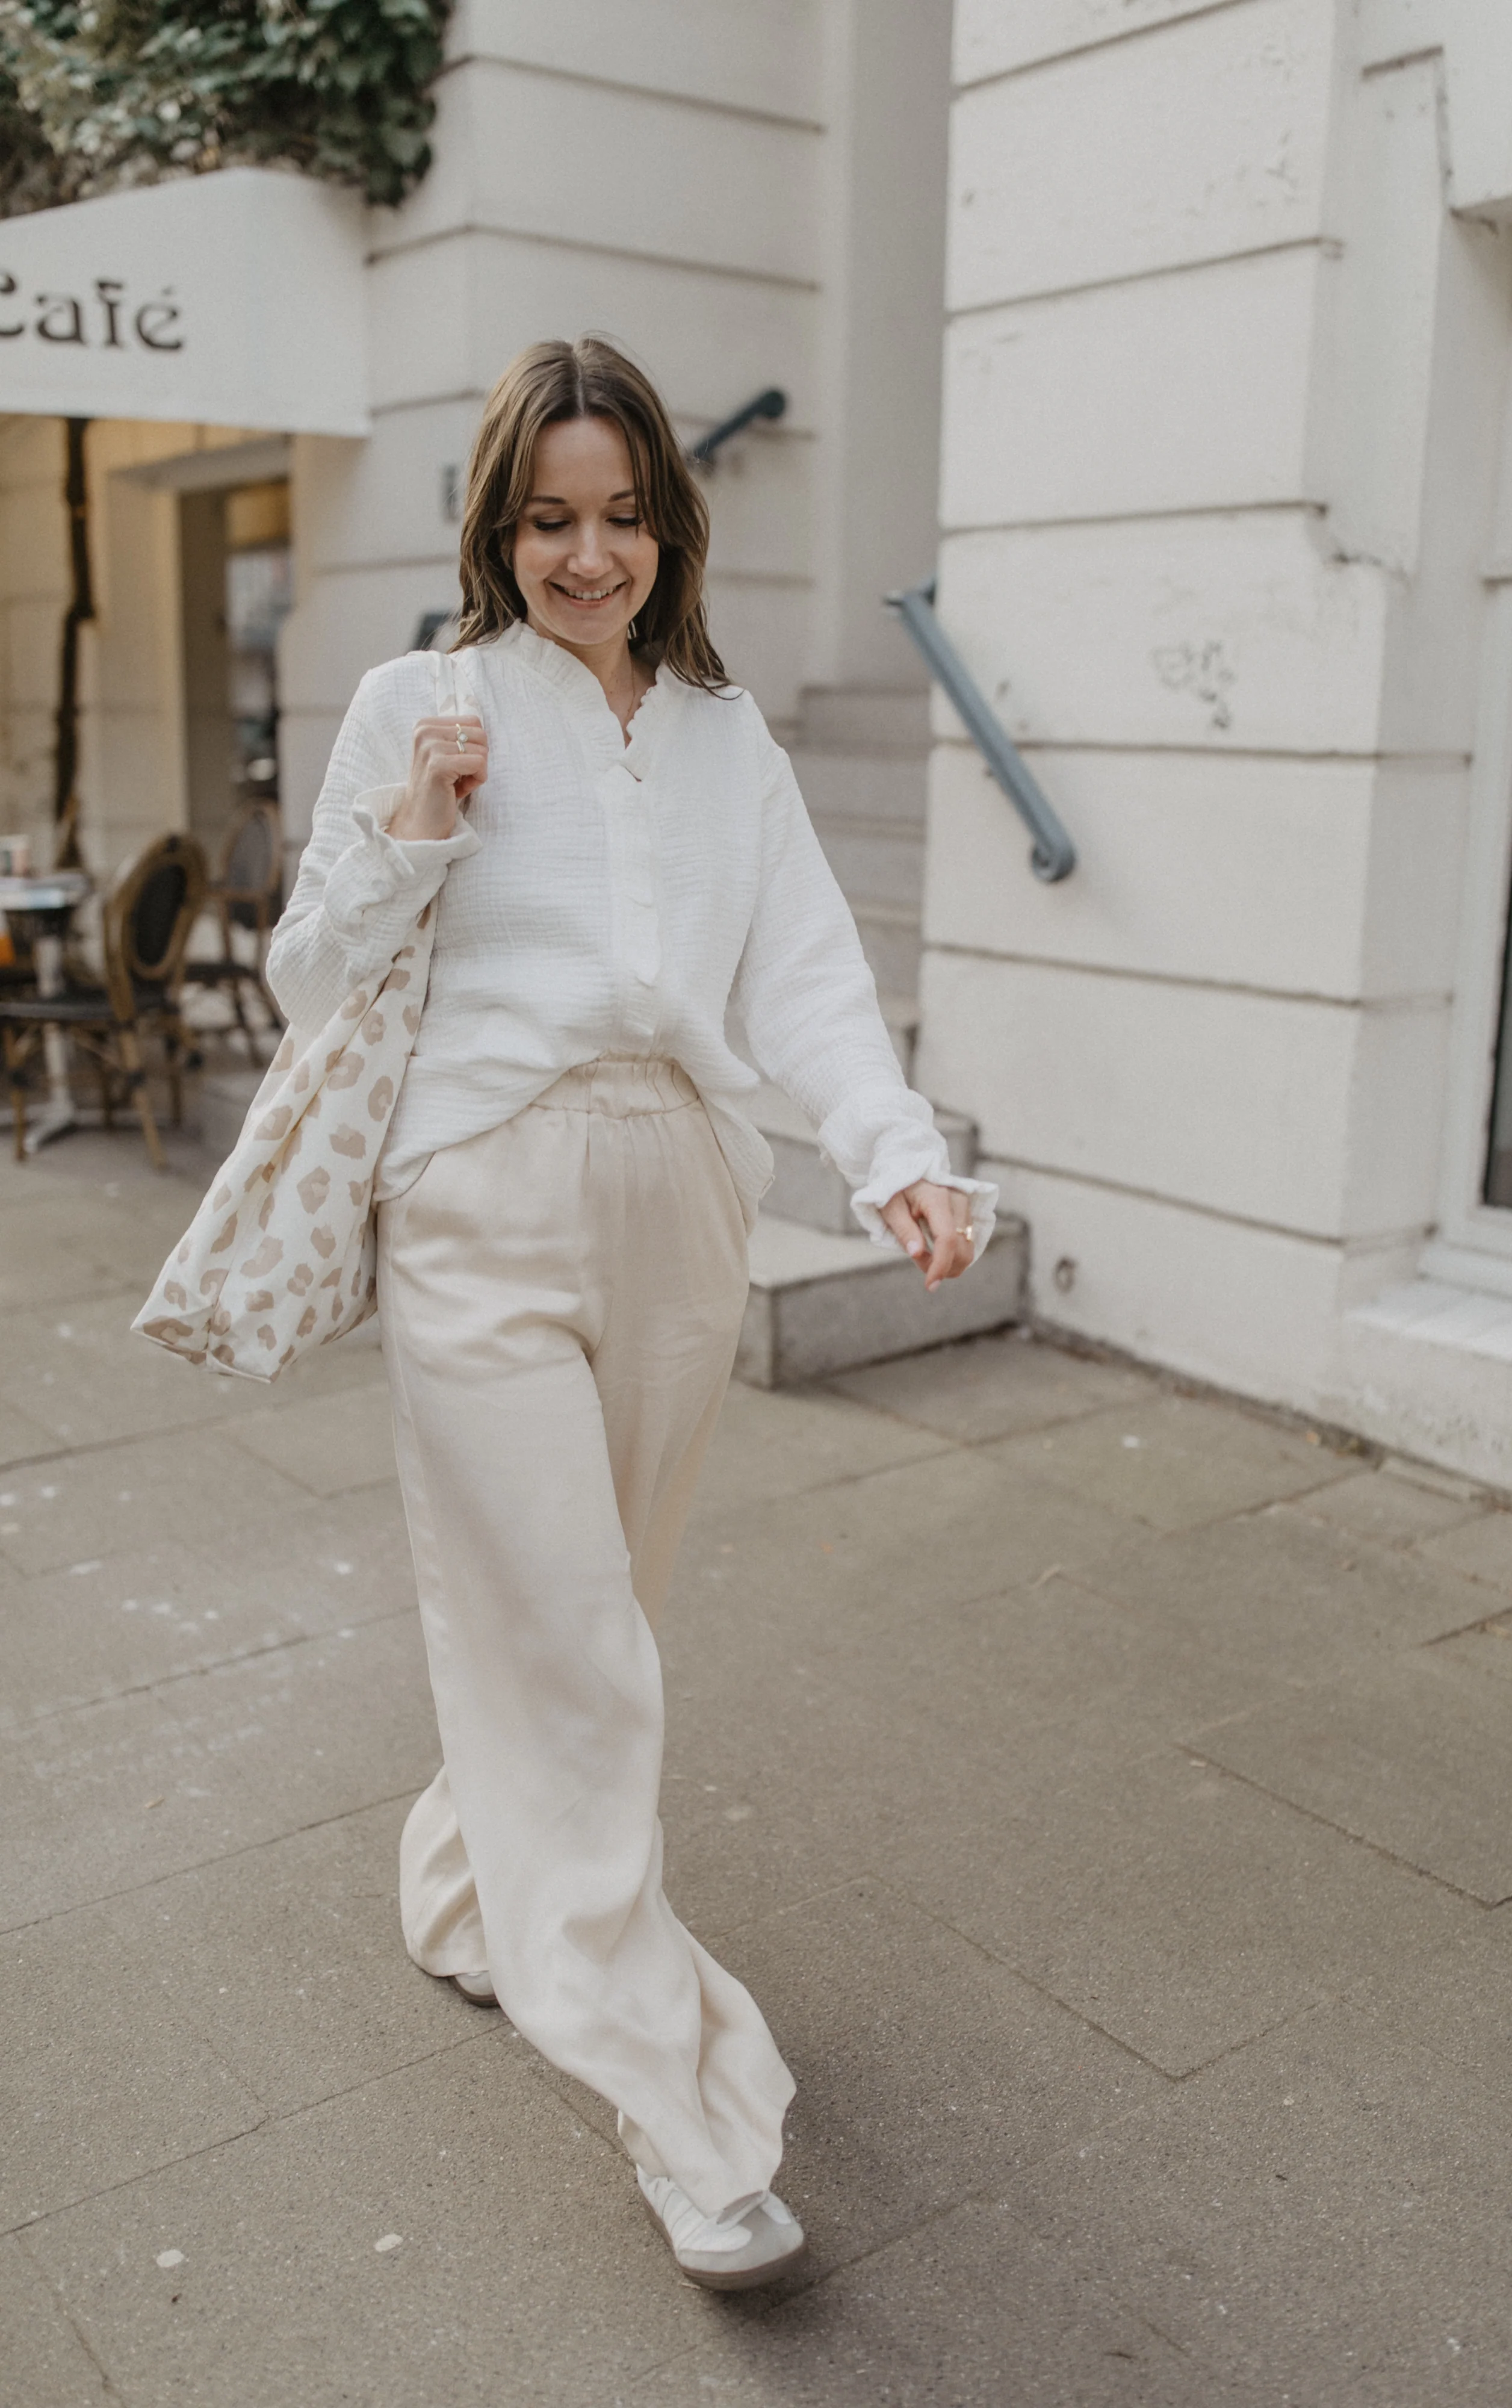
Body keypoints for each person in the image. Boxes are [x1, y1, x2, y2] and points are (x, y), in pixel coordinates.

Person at [266, 337, 997, 2288]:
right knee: (580, 1652)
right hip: (477, 1204)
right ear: (496, 528)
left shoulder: (728, 742)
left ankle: (464, 1891)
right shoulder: (421, 703)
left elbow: (809, 978)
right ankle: (688, 2123)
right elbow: (305, 975)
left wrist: (896, 1154)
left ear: (671, 524)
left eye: (620, 518)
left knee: (596, 1613)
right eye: (547, 520)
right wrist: (418, 825)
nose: (587, 557)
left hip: (681, 1200)